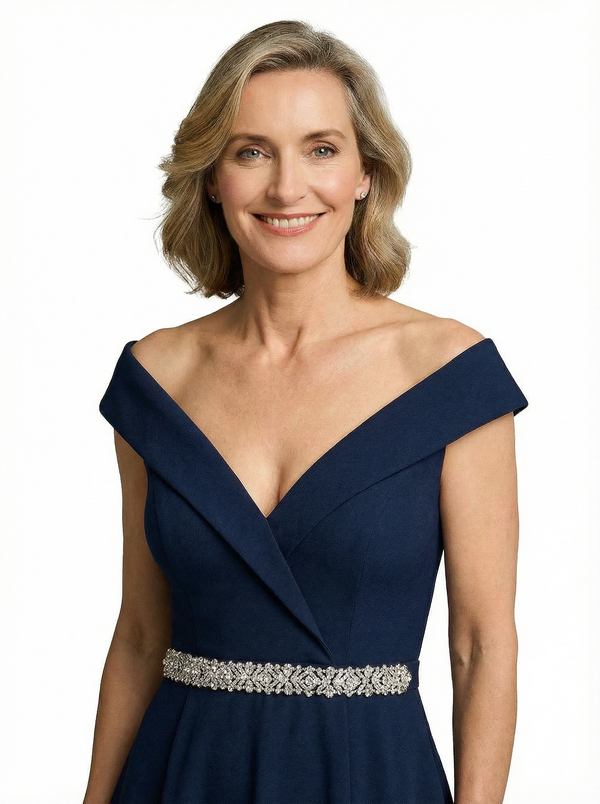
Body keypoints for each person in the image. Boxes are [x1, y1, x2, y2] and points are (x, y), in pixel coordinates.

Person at [84, 19, 528, 804]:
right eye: (251, 152)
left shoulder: (449, 375)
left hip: (371, 779)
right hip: (179, 776)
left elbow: (481, 646)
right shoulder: (157, 378)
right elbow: (142, 635)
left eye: (321, 149)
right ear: (212, 178)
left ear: (365, 174)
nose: (288, 188)